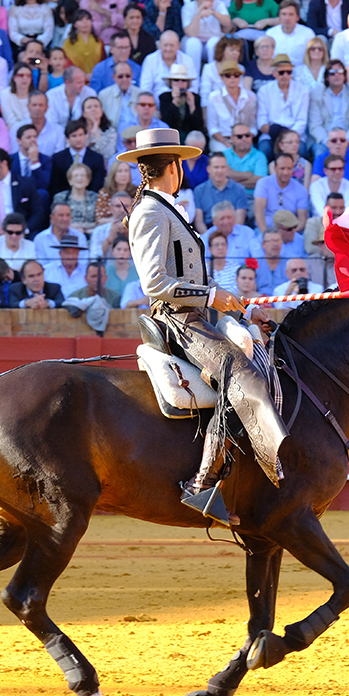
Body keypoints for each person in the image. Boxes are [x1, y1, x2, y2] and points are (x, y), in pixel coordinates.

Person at [119, 127, 284, 525]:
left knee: (250, 354)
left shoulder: (166, 207)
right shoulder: (150, 212)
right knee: (236, 372)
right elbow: (155, 284)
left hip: (198, 317)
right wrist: (213, 297)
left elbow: (200, 284)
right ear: (173, 166)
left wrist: (243, 311)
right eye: (182, 162)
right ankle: (202, 484)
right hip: (178, 321)